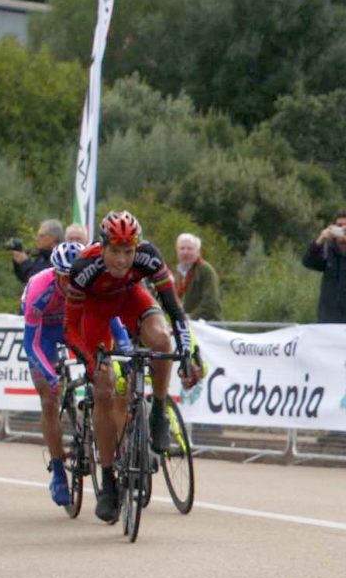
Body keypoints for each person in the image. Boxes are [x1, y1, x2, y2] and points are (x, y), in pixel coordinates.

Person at [64, 211, 199, 523]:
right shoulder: (84, 268)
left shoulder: (148, 257)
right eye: (115, 251)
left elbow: (175, 311)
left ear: (137, 248)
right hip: (95, 313)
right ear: (103, 247)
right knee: (103, 387)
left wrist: (187, 351)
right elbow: (70, 327)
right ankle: (108, 477)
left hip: (130, 300)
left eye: (129, 252)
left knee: (162, 341)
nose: (123, 260)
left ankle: (158, 412)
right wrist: (89, 359)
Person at [21, 241, 84, 506]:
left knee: (105, 376)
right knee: (49, 398)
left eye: (75, 277)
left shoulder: (89, 283)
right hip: (44, 333)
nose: (70, 284)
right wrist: (50, 375)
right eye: (64, 278)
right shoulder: (40, 289)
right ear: (55, 273)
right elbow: (31, 343)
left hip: (72, 325)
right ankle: (59, 473)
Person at [302, 210, 346, 324]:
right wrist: (320, 239)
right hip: (329, 318)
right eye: (339, 226)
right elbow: (308, 262)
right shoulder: (328, 249)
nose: (343, 230)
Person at [174, 233, 222, 321]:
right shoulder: (178, 273)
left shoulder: (205, 270)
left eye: (189, 248)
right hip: (187, 325)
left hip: (208, 326)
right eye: (182, 248)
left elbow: (210, 302)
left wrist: (191, 317)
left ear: (198, 252)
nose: (185, 252)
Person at [11, 219, 65, 285]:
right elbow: (24, 278)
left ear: (52, 238)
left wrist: (24, 263)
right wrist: (17, 262)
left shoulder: (59, 258)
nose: (37, 239)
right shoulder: (42, 256)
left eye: (41, 236)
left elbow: (36, 281)